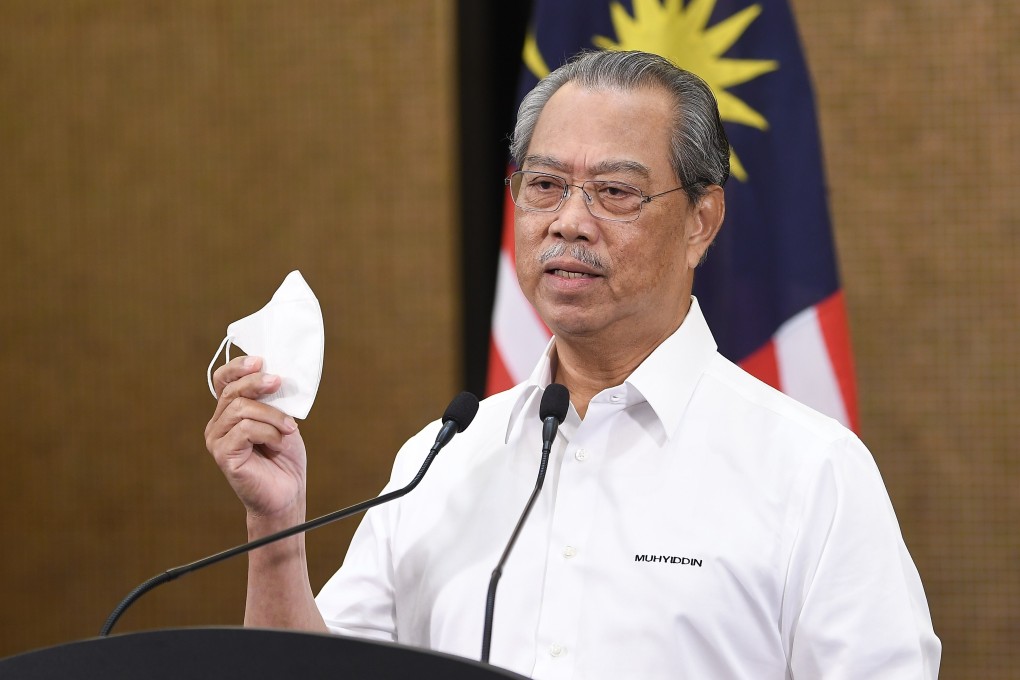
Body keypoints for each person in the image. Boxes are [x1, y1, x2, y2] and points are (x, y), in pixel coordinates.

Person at [205, 50, 940, 678]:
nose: (568, 220)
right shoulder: (444, 460)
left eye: (615, 192)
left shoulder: (811, 473)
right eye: (545, 185)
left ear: (702, 221)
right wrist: (276, 531)